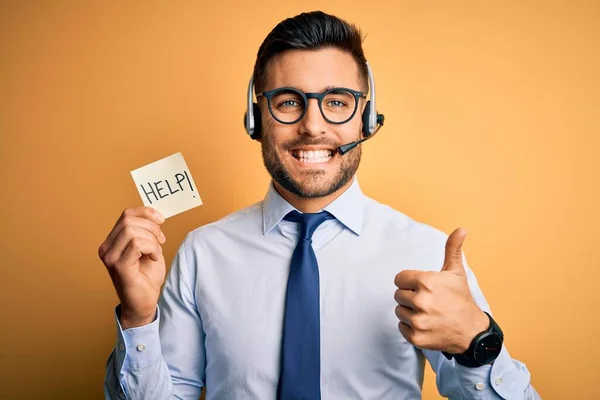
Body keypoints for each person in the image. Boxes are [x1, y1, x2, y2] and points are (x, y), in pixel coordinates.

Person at [101, 11, 540, 400]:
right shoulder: (201, 253)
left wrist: (476, 342)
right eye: (289, 102)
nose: (313, 126)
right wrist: (139, 319)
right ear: (256, 118)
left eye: (336, 102)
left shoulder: (427, 254)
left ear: (366, 119)